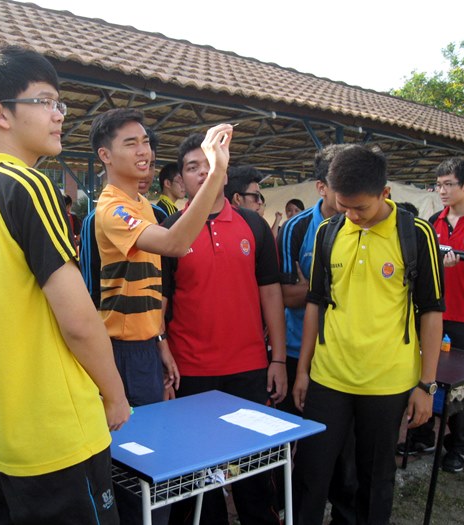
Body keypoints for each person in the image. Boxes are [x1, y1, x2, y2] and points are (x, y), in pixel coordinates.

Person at [0, 44, 130, 524]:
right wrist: (114, 394)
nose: (58, 115)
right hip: (54, 436)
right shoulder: (26, 185)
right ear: (0, 113)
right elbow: (78, 320)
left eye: (58, 103)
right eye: (44, 101)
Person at [90, 108, 232, 525]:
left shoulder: (141, 206)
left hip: (145, 350)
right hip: (122, 353)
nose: (144, 151)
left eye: (146, 142)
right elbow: (174, 243)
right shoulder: (112, 209)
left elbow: (152, 286)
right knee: (139, 473)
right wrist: (216, 171)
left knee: (153, 470)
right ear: (104, 155)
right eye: (130, 143)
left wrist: (159, 342)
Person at [292, 145, 444, 525]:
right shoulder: (327, 233)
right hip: (329, 376)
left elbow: (431, 312)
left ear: (385, 193)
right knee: (310, 472)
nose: (352, 216)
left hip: (387, 381)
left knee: (374, 479)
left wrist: (426, 385)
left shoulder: (416, 234)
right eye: (343, 206)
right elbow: (315, 304)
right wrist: (303, 370)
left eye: (360, 208)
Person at [162, 133, 286, 525]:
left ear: (225, 171)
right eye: (192, 167)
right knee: (198, 477)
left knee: (253, 470)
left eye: (209, 164)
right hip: (191, 371)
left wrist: (278, 359)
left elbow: (271, 293)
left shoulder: (254, 225)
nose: (202, 173)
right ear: (181, 179)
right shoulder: (169, 231)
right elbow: (162, 304)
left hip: (248, 369)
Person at [401, 158, 464, 473]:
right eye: (438, 184)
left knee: (462, 387)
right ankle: (422, 435)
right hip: (432, 313)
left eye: (448, 184)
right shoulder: (433, 221)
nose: (442, 190)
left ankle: (458, 446)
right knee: (425, 376)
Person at [277, 144, 356, 523]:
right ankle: (291, 510)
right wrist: (324, 290)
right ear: (321, 187)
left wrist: (311, 288)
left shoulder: (363, 224)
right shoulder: (297, 228)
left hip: (346, 356)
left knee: (345, 452)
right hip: (298, 352)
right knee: (300, 445)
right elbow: (283, 295)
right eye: (341, 185)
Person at [80, 127, 164, 308]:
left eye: (151, 164)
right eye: (131, 146)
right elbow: (91, 279)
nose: (146, 170)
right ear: (106, 156)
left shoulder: (159, 214)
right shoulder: (96, 218)